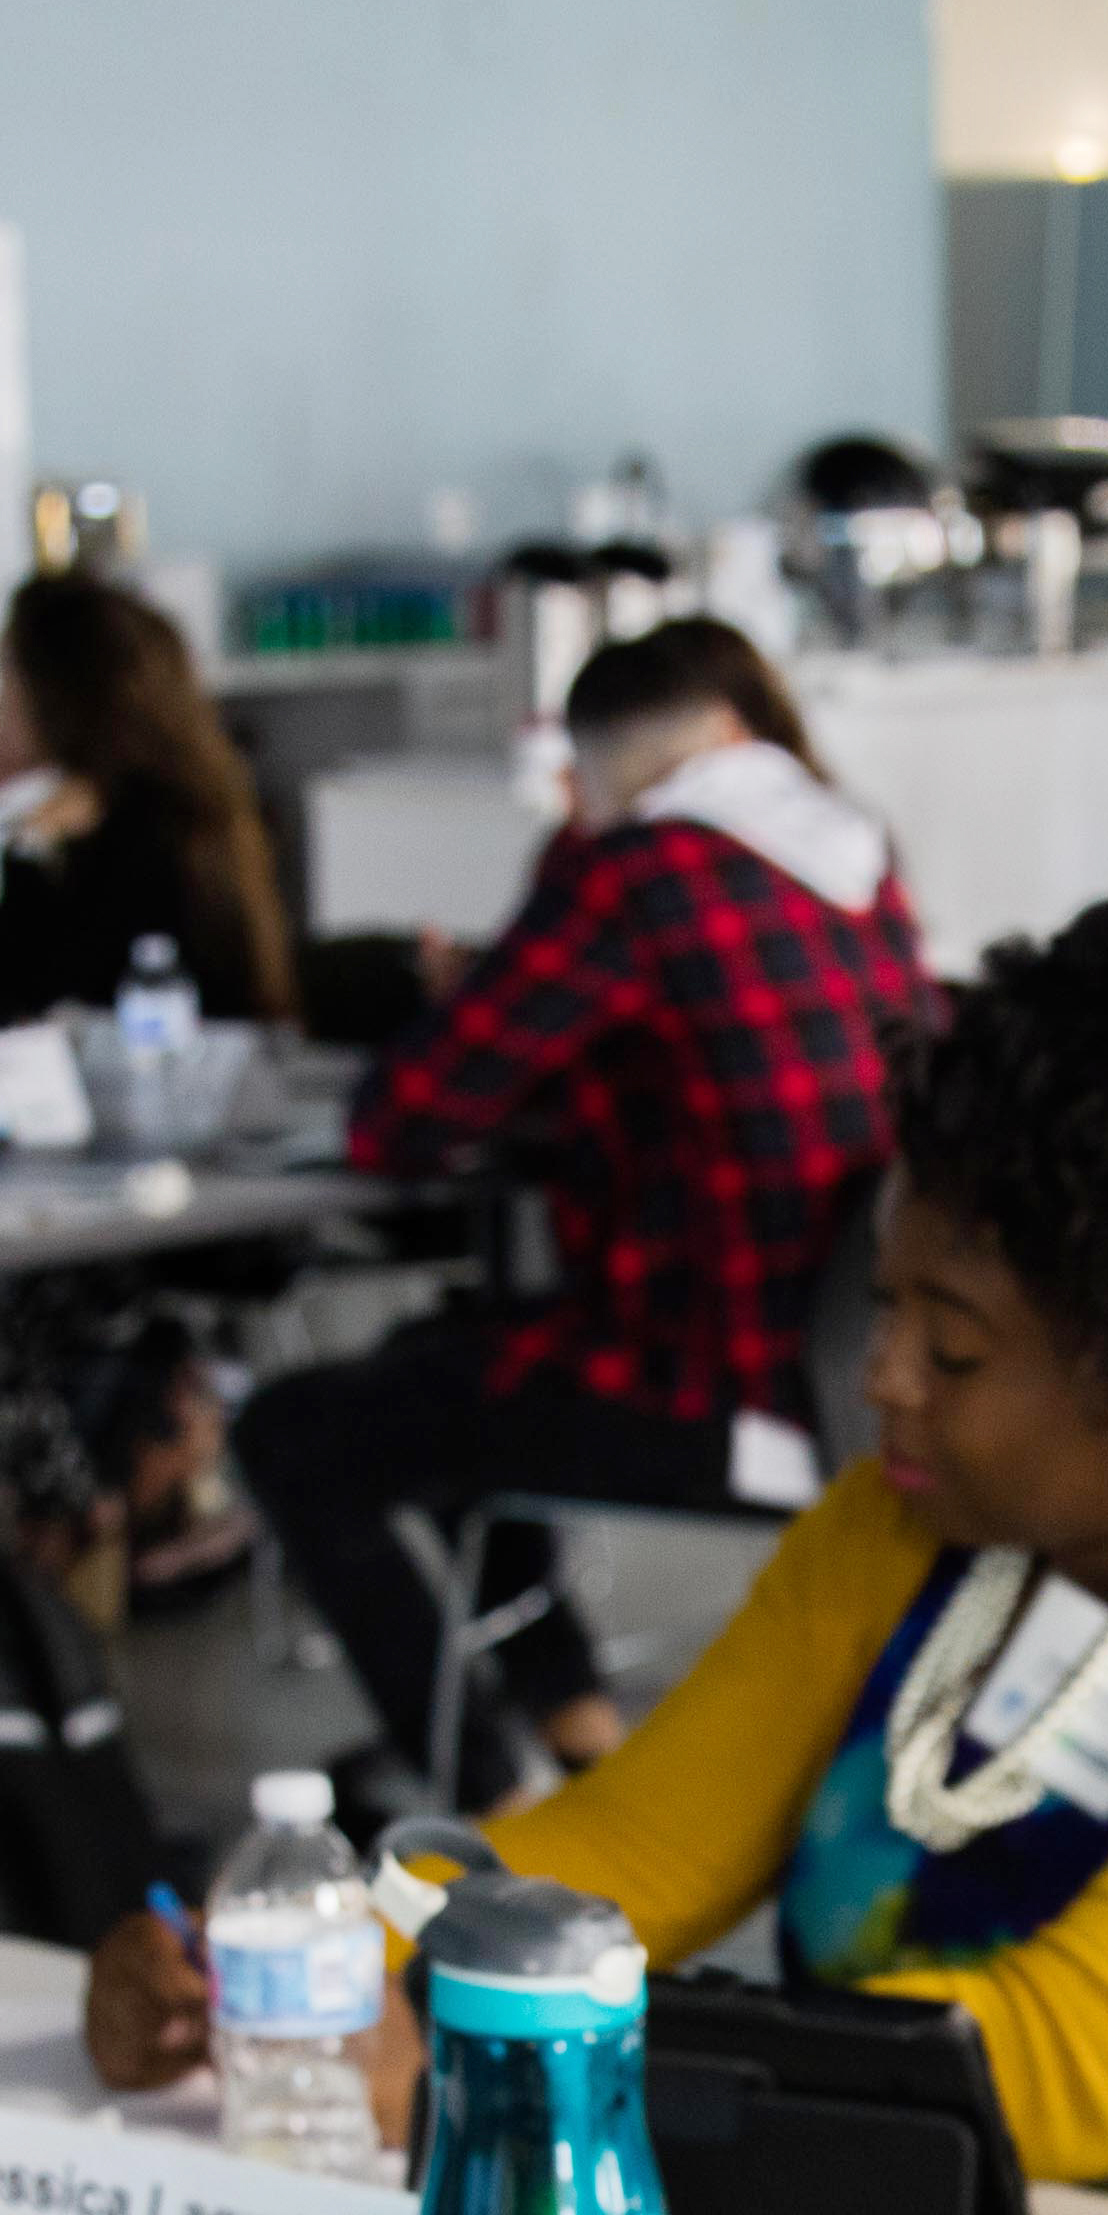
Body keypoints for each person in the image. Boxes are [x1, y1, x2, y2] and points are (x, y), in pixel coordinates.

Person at [97, 902, 1108, 2215]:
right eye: (889, 1308)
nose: (883, 1380)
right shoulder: (913, 1533)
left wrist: (490, 2064)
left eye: (959, 1349)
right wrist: (318, 1959)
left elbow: (1045, 2073)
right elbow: (615, 1852)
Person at [234, 622, 922, 1794]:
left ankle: (479, 1791)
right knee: (445, 1359)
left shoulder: (634, 872)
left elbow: (398, 1120)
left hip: (718, 1394)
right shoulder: (853, 860)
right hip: (849, 1369)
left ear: (592, 767)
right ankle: (574, 1732)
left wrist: (547, 890)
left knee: (296, 1431)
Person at [0, 569, 296, 1034]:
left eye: (8, 678)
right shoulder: (160, 804)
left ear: (58, 695)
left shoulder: (147, 834)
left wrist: (15, 850)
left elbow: (1, 995)